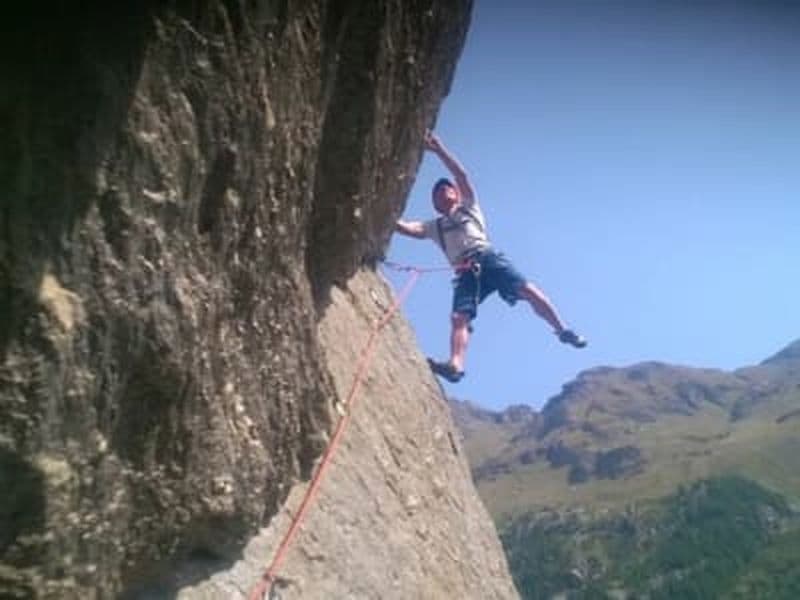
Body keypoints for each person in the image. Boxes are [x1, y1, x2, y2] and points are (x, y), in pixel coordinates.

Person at [395, 130, 587, 383]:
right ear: (435, 204)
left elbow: (461, 176)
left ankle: (563, 330)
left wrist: (439, 150)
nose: (443, 191)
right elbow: (408, 229)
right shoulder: (434, 227)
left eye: (446, 189)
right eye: (437, 192)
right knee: (458, 317)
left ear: (455, 193)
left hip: (486, 256)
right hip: (464, 270)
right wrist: (388, 218)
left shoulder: (469, 207)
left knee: (527, 291)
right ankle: (455, 365)